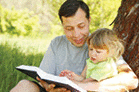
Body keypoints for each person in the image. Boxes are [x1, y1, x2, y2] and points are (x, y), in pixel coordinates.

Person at [10, 0, 138, 92]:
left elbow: (131, 80)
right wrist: (47, 87)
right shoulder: (57, 43)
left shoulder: (100, 43)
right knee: (24, 85)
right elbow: (43, 77)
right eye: (69, 28)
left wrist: (85, 86)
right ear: (63, 26)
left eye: (81, 26)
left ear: (89, 20)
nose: (76, 34)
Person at [59, 28, 129, 91]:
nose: (93, 54)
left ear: (110, 52)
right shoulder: (90, 61)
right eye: (91, 49)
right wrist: (72, 76)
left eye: (98, 52)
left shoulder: (106, 66)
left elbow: (88, 83)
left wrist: (71, 83)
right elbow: (83, 78)